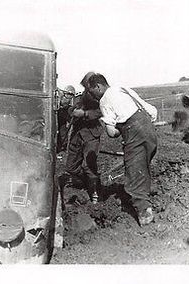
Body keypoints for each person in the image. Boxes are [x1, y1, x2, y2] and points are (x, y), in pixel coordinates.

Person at [87, 73, 158, 226]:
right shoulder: (122, 89)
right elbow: (151, 111)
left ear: (98, 87)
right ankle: (146, 194)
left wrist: (106, 124)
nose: (94, 97)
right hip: (148, 127)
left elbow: (112, 133)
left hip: (134, 131)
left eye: (93, 93)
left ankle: (144, 214)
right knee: (142, 166)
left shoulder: (105, 100)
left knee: (133, 172)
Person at [60, 72, 103, 204]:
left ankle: (95, 193)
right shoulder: (80, 97)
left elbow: (102, 111)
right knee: (71, 167)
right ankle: (87, 182)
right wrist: (73, 111)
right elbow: (70, 109)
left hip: (91, 133)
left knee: (89, 166)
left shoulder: (100, 99)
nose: (86, 88)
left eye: (87, 86)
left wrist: (84, 113)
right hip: (77, 133)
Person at [56, 85, 75, 153]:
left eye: (71, 95)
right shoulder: (59, 96)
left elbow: (69, 107)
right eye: (68, 94)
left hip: (64, 115)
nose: (69, 97)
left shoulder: (71, 101)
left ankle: (63, 146)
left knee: (63, 131)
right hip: (57, 114)